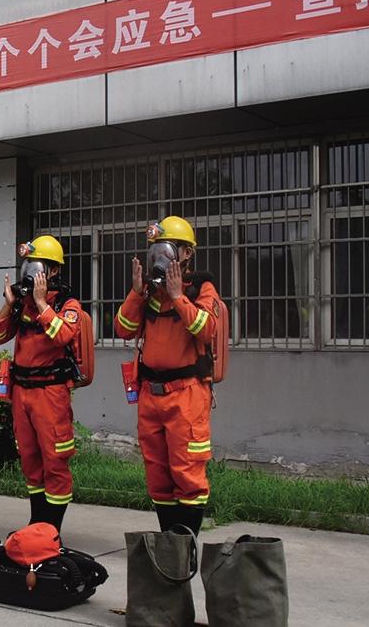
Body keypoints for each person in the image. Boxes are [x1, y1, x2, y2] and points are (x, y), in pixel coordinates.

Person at [114, 216, 219, 535]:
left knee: (187, 474)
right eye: (156, 250)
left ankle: (185, 549)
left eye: (167, 249)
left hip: (187, 395)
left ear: (186, 253)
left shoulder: (201, 288)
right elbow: (123, 329)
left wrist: (177, 297)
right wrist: (136, 294)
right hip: (151, 394)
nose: (160, 257)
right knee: (158, 475)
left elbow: (207, 330)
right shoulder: (148, 292)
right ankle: (168, 544)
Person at [0, 236, 86, 532]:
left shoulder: (67, 304)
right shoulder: (22, 306)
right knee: (30, 459)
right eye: (27, 265)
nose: (30, 272)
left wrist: (42, 304)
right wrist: (8, 306)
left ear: (52, 271)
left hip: (50, 394)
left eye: (37, 266)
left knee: (54, 460)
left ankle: (52, 530)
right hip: (22, 393)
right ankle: (36, 524)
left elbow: (64, 336)